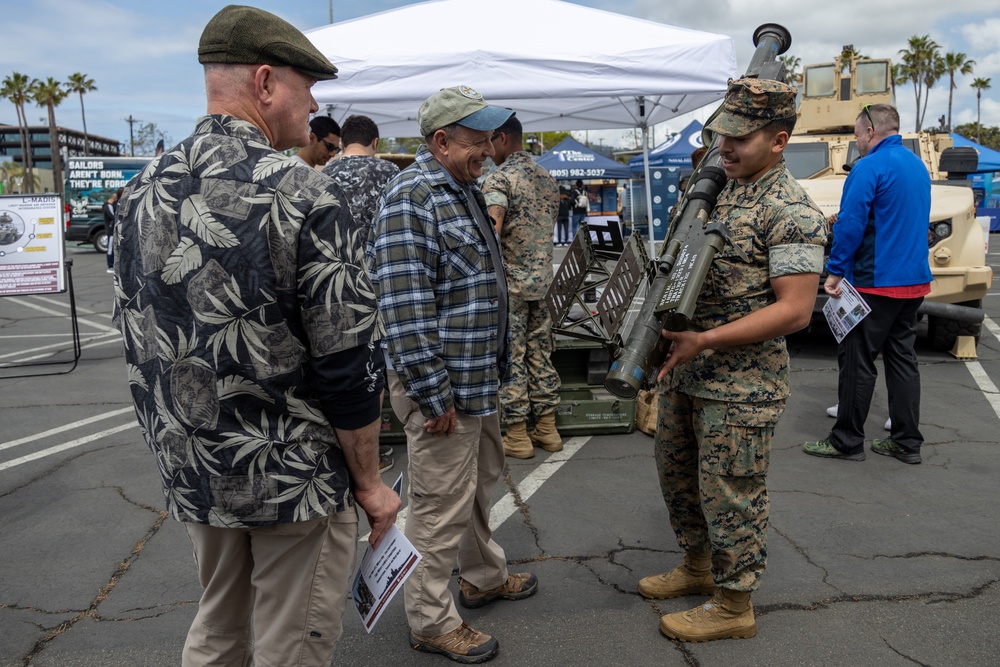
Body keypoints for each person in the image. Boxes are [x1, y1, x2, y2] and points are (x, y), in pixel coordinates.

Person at [111, 6, 401, 665]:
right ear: (266, 83)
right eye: (308, 85)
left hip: (196, 469)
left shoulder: (139, 193)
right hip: (293, 479)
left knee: (218, 627)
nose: (315, 103)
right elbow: (344, 360)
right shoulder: (303, 192)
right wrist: (371, 482)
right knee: (291, 641)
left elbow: (137, 334)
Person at [639, 78, 826, 642]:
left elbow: (795, 311)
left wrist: (708, 339)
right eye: (722, 132)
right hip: (688, 369)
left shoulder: (791, 209)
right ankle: (697, 567)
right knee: (678, 477)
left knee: (731, 490)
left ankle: (733, 603)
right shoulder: (720, 188)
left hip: (741, 385)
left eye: (740, 137)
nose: (725, 145)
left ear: (779, 140)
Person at [369, 85, 538, 664]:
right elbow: (404, 309)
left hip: (474, 381)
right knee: (439, 506)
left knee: (479, 482)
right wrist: (431, 393)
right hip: (443, 386)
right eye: (478, 139)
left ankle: (483, 576)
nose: (490, 150)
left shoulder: (457, 188)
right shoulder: (412, 197)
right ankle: (431, 619)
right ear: (441, 140)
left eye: (492, 137)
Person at [802, 103, 931, 465]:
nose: (856, 142)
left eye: (857, 135)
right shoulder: (917, 166)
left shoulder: (868, 167)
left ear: (870, 131)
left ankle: (847, 440)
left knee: (857, 361)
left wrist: (835, 270)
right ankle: (907, 442)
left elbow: (851, 225)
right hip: (913, 283)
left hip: (874, 283)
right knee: (903, 360)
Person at [322, 113, 401, 473]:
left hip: (331, 288)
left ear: (341, 142)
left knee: (337, 367)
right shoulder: (392, 177)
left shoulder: (320, 177)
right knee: (377, 369)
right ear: (376, 142)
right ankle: (374, 447)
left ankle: (337, 447)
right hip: (380, 288)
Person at [482, 114, 563, 459]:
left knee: (511, 358)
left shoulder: (499, 179)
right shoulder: (547, 179)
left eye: (488, 141)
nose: (486, 150)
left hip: (511, 289)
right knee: (540, 353)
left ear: (501, 138)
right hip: (543, 285)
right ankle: (547, 428)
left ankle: (517, 434)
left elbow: (491, 229)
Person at [103, 187, 121, 273]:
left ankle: (112, 265)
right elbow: (112, 216)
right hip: (111, 230)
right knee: (110, 248)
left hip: (111, 229)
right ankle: (110, 266)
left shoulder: (107, 206)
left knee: (112, 248)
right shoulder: (108, 206)